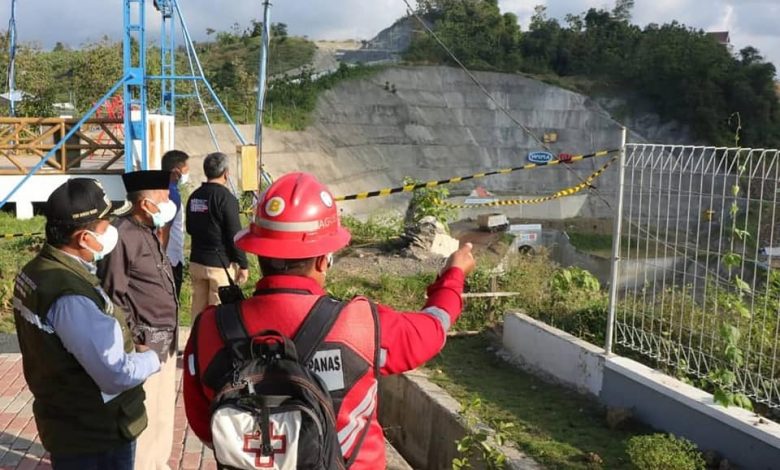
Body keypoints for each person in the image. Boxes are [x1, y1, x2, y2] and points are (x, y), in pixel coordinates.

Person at [183, 172, 476, 469]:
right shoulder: (362, 325)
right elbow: (434, 327)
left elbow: (204, 426)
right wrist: (454, 275)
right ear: (324, 260)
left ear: (259, 253)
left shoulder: (210, 329)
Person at [13, 178, 160, 470]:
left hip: (66, 420)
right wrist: (150, 359)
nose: (112, 232)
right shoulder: (70, 297)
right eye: (106, 226)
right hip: (96, 434)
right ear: (83, 237)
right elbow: (113, 374)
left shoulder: (36, 270)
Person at [98, 170, 179, 470]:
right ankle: (144, 465)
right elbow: (113, 295)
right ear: (145, 204)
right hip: (144, 343)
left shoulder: (148, 231)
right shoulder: (122, 235)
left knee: (161, 411)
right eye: (164, 198)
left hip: (165, 340)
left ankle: (159, 463)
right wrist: (134, 339)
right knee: (143, 413)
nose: (169, 202)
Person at [185, 151, 249, 317]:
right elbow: (234, 235)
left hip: (197, 262)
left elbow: (190, 228)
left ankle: (197, 341)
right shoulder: (226, 199)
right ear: (226, 173)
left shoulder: (194, 197)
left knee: (198, 314)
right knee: (218, 315)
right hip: (219, 266)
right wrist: (243, 265)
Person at [160, 150, 191, 299]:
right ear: (176, 171)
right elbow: (164, 229)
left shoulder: (161, 189)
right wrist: (161, 259)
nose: (187, 172)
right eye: (186, 169)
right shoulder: (172, 194)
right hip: (171, 257)